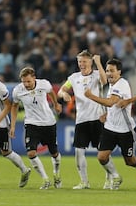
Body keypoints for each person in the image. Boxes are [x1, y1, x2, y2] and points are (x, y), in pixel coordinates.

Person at [84, 58, 136, 190]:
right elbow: (114, 105)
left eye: (112, 71)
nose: (109, 74)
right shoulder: (112, 85)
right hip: (110, 128)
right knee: (102, 157)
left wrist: (90, 96)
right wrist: (107, 114)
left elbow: (110, 102)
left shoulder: (122, 84)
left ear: (119, 72)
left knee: (130, 161)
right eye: (107, 71)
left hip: (125, 130)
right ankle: (116, 176)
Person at [57, 50, 108, 189]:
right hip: (81, 119)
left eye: (84, 61)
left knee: (102, 152)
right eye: (79, 61)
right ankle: (84, 182)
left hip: (98, 118)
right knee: (79, 151)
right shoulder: (73, 77)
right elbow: (61, 90)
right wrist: (64, 95)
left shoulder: (97, 75)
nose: (81, 64)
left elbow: (105, 81)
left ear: (90, 62)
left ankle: (109, 178)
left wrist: (99, 62)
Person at [10, 67, 62, 190]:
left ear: (34, 78)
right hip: (31, 124)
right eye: (24, 82)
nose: (26, 84)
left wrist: (55, 104)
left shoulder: (44, 84)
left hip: (49, 123)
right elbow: (14, 106)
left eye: (28, 81)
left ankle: (57, 174)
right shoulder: (17, 91)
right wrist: (12, 125)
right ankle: (45, 179)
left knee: (54, 153)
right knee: (31, 153)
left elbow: (51, 92)